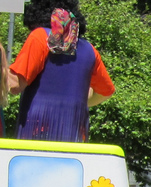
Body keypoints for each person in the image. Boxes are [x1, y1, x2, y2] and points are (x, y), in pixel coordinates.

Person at [7, 1, 114, 142]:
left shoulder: (40, 37)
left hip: (36, 136)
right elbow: (105, 92)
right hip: (73, 141)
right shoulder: (90, 50)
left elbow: (15, 85)